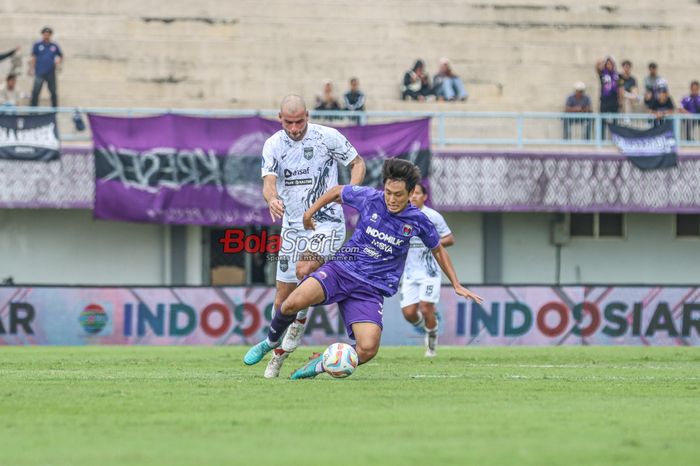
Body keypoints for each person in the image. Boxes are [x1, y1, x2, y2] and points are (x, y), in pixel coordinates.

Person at [243, 159, 482, 380]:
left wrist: (456, 284)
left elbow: (438, 249)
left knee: (367, 349)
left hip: (370, 289)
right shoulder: (370, 198)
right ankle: (269, 342)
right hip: (341, 271)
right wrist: (309, 212)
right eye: (388, 192)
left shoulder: (418, 220)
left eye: (398, 195)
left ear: (411, 194)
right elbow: (337, 190)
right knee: (291, 303)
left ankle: (319, 365)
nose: (391, 199)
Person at [258, 94, 366, 378]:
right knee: (283, 301)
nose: (294, 128)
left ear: (308, 115)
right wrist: (271, 199)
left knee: (305, 269)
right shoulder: (273, 145)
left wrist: (350, 192)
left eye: (299, 122)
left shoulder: (327, 137)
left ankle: (298, 324)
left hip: (326, 222)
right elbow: (269, 183)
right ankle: (279, 355)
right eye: (288, 123)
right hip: (292, 226)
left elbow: (358, 163)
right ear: (279, 118)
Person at [399, 183, 455, 357]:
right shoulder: (401, 215)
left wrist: (431, 242)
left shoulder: (433, 216)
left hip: (429, 272)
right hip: (409, 273)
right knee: (409, 314)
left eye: (418, 193)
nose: (414, 196)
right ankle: (430, 327)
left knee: (425, 307)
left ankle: (431, 340)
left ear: (424, 196)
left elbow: (450, 239)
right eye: (412, 193)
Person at [30, 26, 62, 107]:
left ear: (50, 35)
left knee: (53, 91)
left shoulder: (54, 45)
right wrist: (31, 68)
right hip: (39, 71)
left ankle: (54, 109)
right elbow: (34, 56)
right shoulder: (37, 44)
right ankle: (33, 110)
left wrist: (58, 61)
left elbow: (60, 55)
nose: (46, 36)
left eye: (48, 34)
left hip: (50, 72)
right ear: (42, 35)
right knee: (35, 91)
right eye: (45, 34)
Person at [595, 57, 619, 139]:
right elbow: (597, 66)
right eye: (607, 64)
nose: (609, 65)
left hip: (614, 100)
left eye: (611, 64)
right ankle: (601, 138)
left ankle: (615, 138)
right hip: (605, 100)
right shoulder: (602, 73)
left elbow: (619, 88)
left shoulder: (616, 75)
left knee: (615, 121)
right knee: (603, 120)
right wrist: (603, 60)